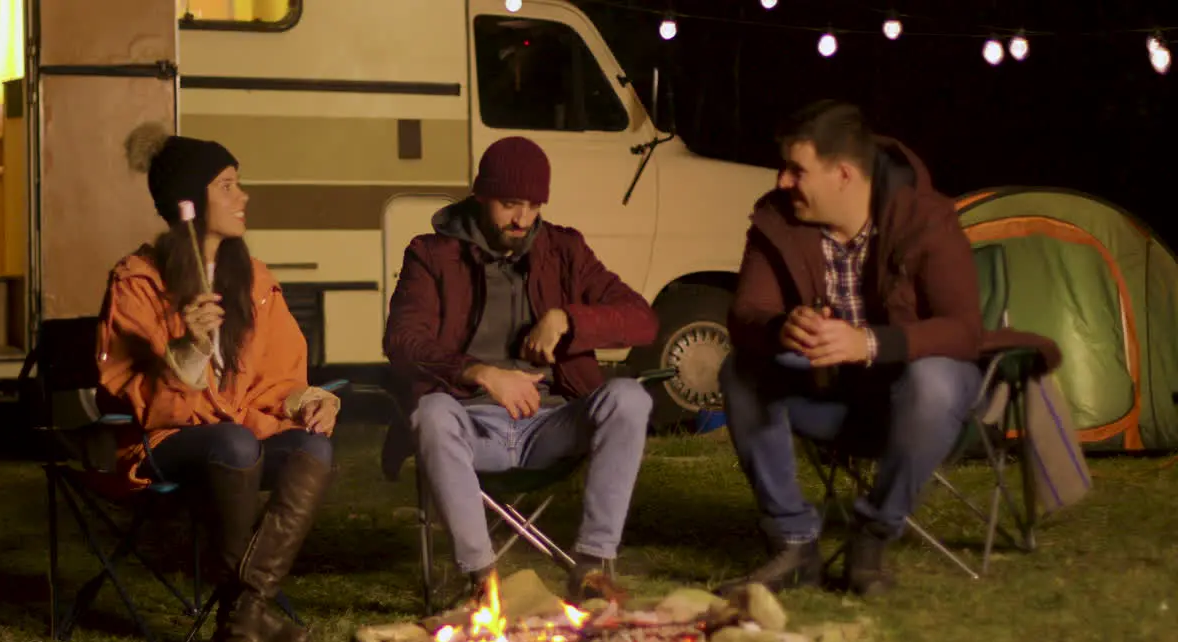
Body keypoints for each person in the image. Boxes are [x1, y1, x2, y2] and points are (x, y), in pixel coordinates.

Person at [717, 100, 988, 597]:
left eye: (797, 170)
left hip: (920, 412)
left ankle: (873, 533)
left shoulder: (923, 218)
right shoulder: (779, 220)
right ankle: (793, 541)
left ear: (842, 173)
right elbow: (745, 314)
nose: (782, 182)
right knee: (742, 369)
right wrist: (783, 326)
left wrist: (867, 342)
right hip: (833, 401)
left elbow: (964, 330)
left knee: (933, 379)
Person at [96, 123, 340, 642]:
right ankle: (248, 609)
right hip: (164, 444)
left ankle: (244, 609)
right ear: (189, 203)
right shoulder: (139, 283)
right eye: (227, 185)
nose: (242, 195)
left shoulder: (252, 278)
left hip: (240, 438)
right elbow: (132, 401)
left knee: (313, 447)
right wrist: (185, 352)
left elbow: (278, 377)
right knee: (232, 442)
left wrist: (306, 399)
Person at [383, 136, 659, 603]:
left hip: (552, 422)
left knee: (630, 398)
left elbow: (642, 319)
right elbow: (403, 340)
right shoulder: (432, 254)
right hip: (471, 425)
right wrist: (481, 372)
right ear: (480, 195)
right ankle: (483, 580)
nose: (523, 219)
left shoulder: (563, 250)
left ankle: (590, 569)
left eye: (533, 206)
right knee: (430, 413)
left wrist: (569, 318)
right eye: (510, 205)